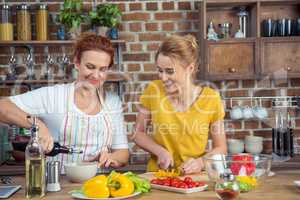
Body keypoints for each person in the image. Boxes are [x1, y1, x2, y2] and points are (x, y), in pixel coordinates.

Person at [0, 32, 129, 169]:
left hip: (97, 186)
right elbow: (3, 107)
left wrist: (112, 158)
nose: (96, 75)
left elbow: (123, 152)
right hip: (58, 184)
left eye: (102, 69)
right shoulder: (53, 95)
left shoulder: (112, 102)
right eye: (90, 67)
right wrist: (37, 125)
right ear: (77, 63)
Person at [133, 34, 227, 174]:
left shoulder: (210, 98)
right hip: (159, 176)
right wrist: (160, 152)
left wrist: (200, 163)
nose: (163, 78)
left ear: (190, 68)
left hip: (194, 178)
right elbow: (137, 133)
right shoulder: (153, 90)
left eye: (169, 71)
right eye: (160, 70)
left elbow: (221, 148)